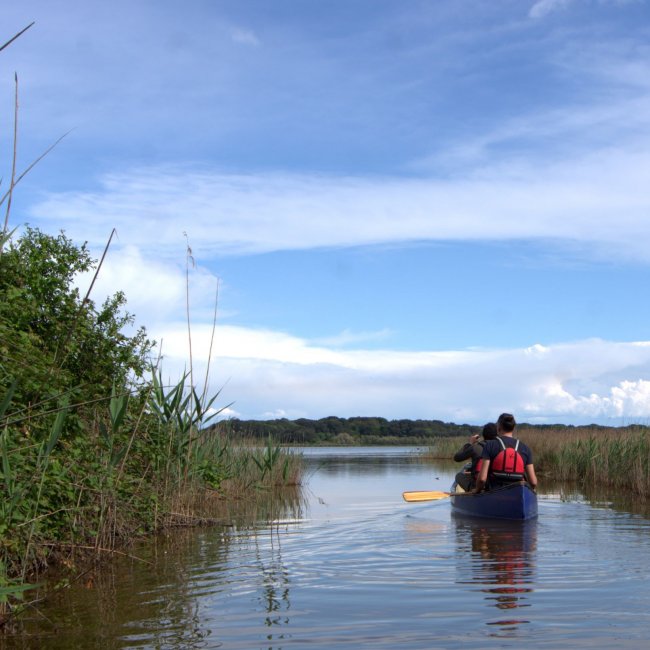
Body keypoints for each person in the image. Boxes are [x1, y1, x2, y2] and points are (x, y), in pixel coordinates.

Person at [474, 413, 537, 493]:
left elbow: (482, 479)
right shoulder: (525, 448)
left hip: (495, 492)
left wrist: (477, 490)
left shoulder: (490, 446)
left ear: (498, 427)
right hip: (517, 492)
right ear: (513, 428)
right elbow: (533, 482)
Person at [453, 423, 497, 491]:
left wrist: (470, 443)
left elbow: (457, 458)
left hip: (477, 485)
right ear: (497, 435)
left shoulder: (475, 447)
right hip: (494, 484)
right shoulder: (500, 448)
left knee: (458, 475)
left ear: (483, 435)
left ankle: (470, 491)